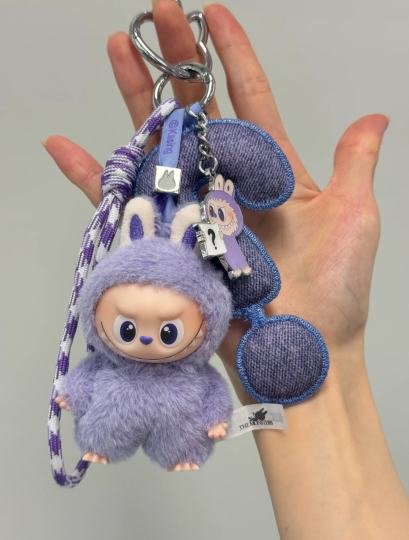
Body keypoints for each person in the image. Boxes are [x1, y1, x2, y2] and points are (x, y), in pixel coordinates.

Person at [42, 2, 409, 538]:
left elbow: (212, 392)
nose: (146, 339)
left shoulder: (225, 240)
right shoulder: (154, 209)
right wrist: (74, 392)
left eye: (166, 331)